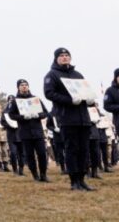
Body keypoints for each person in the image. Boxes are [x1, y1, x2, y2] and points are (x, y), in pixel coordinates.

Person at [43, 47, 96, 191]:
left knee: (84, 150)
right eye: (61, 55)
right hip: (67, 118)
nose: (64, 57)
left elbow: (85, 91)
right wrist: (69, 100)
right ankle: (74, 181)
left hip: (83, 118)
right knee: (72, 149)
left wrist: (90, 99)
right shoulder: (52, 75)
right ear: (56, 59)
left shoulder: (77, 74)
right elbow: (49, 93)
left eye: (67, 55)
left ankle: (82, 179)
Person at [8, 79, 50, 182]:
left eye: (26, 85)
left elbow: (45, 113)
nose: (24, 86)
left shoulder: (36, 99)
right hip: (25, 132)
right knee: (30, 155)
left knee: (42, 153)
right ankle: (35, 175)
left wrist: (38, 115)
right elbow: (11, 115)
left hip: (37, 131)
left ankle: (43, 174)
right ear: (18, 87)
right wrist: (22, 117)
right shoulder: (15, 101)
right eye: (22, 85)